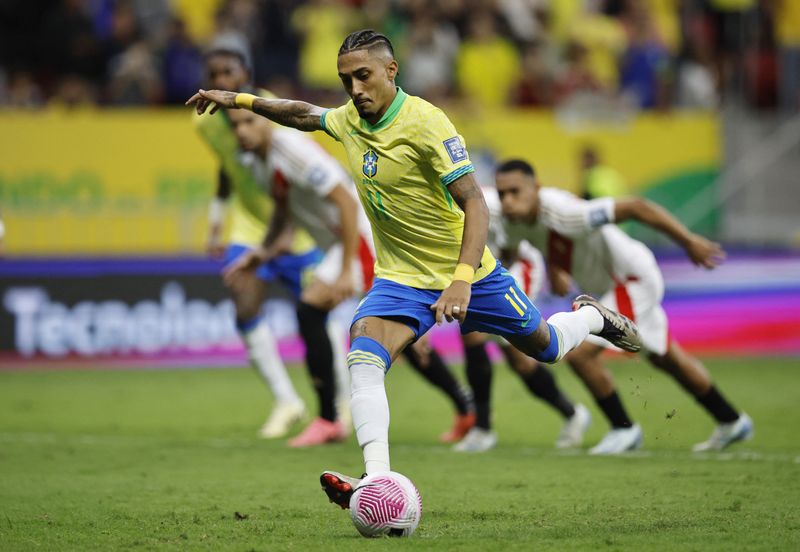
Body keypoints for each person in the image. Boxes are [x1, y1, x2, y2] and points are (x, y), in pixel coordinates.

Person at [186, 29, 641, 509]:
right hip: (400, 279)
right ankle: (376, 481)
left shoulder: (427, 122)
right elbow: (301, 113)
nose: (355, 89)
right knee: (363, 359)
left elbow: (477, 205)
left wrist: (463, 279)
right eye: (346, 81)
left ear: (390, 70)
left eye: (363, 76)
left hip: (470, 274)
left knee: (545, 347)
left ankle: (593, 317)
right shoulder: (348, 119)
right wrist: (237, 98)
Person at [224, 107, 475, 447]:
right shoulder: (255, 162)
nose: (242, 130)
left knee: (314, 310)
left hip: (361, 243)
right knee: (402, 338)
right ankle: (464, 407)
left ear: (267, 123)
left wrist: (345, 269)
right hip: (340, 248)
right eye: (235, 124)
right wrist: (263, 251)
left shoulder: (291, 149)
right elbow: (285, 214)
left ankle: (329, 418)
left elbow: (345, 201)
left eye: (249, 121)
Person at [494, 159, 754, 454]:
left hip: (629, 280)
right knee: (666, 358)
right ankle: (731, 420)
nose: (508, 201)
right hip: (610, 288)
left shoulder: (566, 212)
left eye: (515, 192)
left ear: (536, 188)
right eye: (502, 194)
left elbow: (636, 207)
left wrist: (688, 240)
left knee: (579, 353)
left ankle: (624, 429)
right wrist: (555, 271)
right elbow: (520, 248)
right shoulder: (514, 220)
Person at [195, 36, 339, 440]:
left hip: (295, 226)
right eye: (214, 75)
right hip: (250, 224)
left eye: (229, 73)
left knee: (315, 312)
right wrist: (216, 221)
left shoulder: (272, 109)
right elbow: (227, 169)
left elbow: (299, 169)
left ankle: (339, 399)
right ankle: (286, 400)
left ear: (245, 75)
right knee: (242, 299)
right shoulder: (203, 119)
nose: (222, 79)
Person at [455, 187, 591, 453]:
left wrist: (556, 267)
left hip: (514, 268)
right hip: (478, 272)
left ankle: (483, 428)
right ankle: (571, 413)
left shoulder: (485, 202)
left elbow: (527, 236)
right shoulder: (427, 205)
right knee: (514, 359)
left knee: (491, 342)